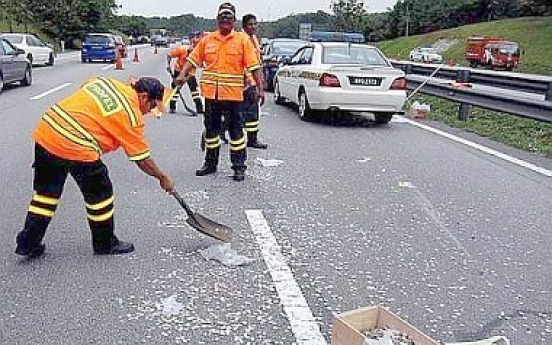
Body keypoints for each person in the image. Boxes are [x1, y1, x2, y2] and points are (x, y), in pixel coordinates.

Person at [15, 76, 175, 257]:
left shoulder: (106, 82)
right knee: (100, 194)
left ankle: (28, 243)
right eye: (152, 106)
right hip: (76, 144)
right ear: (144, 97)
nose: (150, 111)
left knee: (46, 195)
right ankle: (105, 244)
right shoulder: (131, 116)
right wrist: (162, 177)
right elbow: (142, 159)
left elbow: (86, 86)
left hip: (48, 131)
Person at [176, 2, 265, 182]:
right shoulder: (207, 40)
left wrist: (260, 88)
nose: (225, 20)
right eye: (222, 17)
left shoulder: (242, 40)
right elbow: (193, 59)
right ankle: (210, 163)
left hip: (234, 95)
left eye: (229, 17)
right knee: (211, 131)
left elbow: (254, 66)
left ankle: (239, 167)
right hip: (211, 95)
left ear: (234, 21)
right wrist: (182, 74)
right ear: (217, 20)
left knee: (236, 133)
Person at [241, 13, 267, 149]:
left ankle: (252, 139)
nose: (253, 27)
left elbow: (257, 62)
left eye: (255, 24)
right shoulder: (243, 39)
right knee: (242, 112)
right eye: (250, 24)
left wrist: (261, 81)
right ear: (244, 26)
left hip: (253, 82)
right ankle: (219, 131)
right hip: (245, 82)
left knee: (252, 112)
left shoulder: (254, 39)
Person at [167, 43, 203, 114]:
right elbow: (169, 55)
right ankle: (172, 107)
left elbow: (191, 74)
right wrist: (168, 65)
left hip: (188, 72)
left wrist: (184, 80)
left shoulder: (196, 58)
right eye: (188, 54)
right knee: (175, 88)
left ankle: (199, 108)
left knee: (194, 89)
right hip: (178, 70)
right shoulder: (181, 49)